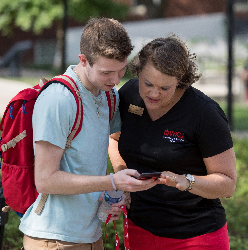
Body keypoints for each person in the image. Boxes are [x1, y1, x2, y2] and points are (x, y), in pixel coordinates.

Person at [19, 17, 159, 249]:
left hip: (91, 234)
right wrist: (111, 181)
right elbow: (45, 180)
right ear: (83, 60)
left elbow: (103, 150)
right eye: (106, 72)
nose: (115, 80)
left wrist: (111, 192)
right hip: (55, 238)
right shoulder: (59, 99)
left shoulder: (108, 95)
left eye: (121, 70)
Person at [108, 35, 237, 250]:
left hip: (196, 235)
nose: (154, 93)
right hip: (140, 227)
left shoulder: (205, 113)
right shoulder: (128, 95)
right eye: (148, 83)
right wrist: (123, 178)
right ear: (139, 69)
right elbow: (114, 140)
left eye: (165, 88)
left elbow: (227, 184)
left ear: (180, 78)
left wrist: (186, 181)